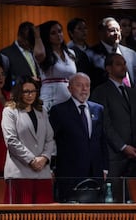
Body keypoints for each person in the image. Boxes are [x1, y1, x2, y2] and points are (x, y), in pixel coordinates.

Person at [49, 73, 108, 202]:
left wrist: (104, 168)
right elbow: (50, 140)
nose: (84, 89)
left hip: (95, 172)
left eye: (87, 85)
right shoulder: (59, 110)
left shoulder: (98, 109)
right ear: (69, 88)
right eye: (79, 85)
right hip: (69, 172)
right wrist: (51, 167)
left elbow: (102, 140)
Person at [1, 76, 54, 204]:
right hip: (20, 173)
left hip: (42, 173)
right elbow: (11, 140)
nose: (30, 95)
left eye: (33, 91)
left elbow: (50, 138)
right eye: (26, 91)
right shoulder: (10, 111)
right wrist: (31, 160)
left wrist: (45, 157)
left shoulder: (42, 111)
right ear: (19, 92)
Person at [91, 53, 136, 203]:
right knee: (113, 199)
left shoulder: (132, 92)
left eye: (124, 63)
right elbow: (104, 124)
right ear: (108, 68)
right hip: (114, 155)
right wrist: (123, 146)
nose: (124, 67)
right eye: (118, 64)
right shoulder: (101, 91)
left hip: (134, 155)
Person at [34, 20, 77, 111]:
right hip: (51, 97)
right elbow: (38, 53)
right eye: (53, 33)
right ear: (47, 36)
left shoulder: (70, 53)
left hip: (69, 95)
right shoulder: (44, 54)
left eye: (60, 31)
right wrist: (37, 37)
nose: (58, 35)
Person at [89, 17, 136, 90]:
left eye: (118, 30)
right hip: (105, 97)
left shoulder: (131, 53)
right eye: (112, 30)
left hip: (130, 97)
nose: (116, 33)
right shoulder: (89, 54)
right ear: (101, 32)